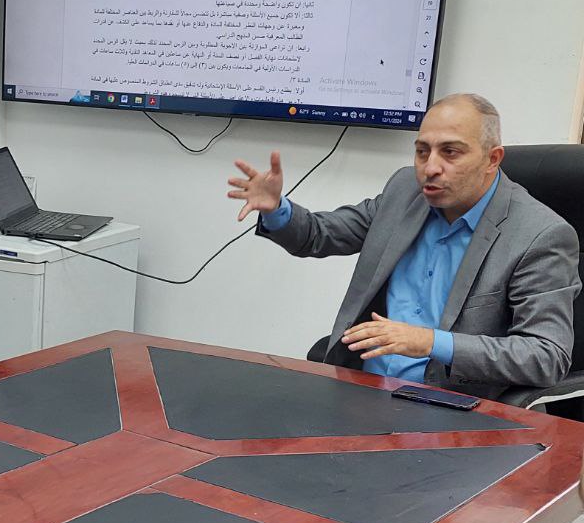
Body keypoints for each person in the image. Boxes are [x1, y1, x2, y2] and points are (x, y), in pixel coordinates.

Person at [227, 93, 580, 400]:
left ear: (492, 159)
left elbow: (546, 355)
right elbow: (319, 235)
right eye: (422, 151)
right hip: (361, 390)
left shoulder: (539, 235)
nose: (430, 168)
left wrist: (431, 342)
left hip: (449, 409)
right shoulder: (405, 190)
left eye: (450, 152)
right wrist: (277, 209)